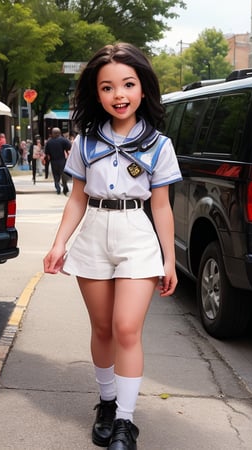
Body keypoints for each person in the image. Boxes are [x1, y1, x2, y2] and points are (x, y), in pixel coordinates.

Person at [43, 43, 182, 450]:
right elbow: (76, 198)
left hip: (136, 235)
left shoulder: (159, 145)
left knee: (126, 328)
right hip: (94, 234)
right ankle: (106, 403)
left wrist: (169, 259)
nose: (118, 95)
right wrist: (59, 244)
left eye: (127, 84)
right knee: (102, 328)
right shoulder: (84, 142)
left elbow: (162, 207)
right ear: (96, 93)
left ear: (142, 89)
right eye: (107, 87)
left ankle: (124, 421)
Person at [44, 127, 71, 195]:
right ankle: (65, 187)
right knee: (63, 175)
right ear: (59, 133)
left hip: (53, 161)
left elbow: (46, 152)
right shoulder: (63, 140)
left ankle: (57, 187)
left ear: (52, 133)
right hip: (62, 160)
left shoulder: (49, 142)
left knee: (56, 175)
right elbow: (69, 146)